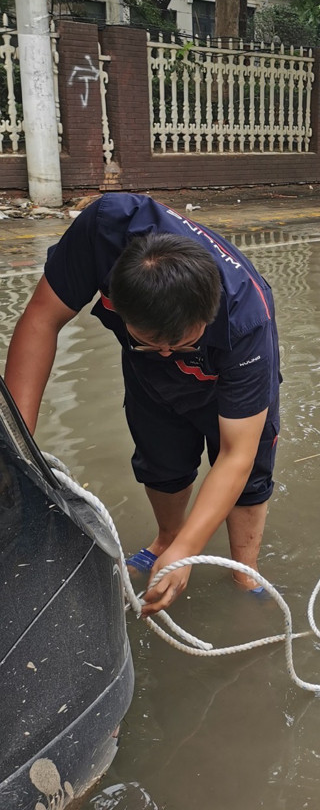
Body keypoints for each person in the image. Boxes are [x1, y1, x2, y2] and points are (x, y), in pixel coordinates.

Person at [4, 192, 280, 617]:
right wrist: (16, 449)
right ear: (117, 296)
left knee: (253, 471)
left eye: (181, 343)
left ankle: (244, 569)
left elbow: (237, 454)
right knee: (160, 457)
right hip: (144, 371)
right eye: (155, 342)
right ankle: (164, 540)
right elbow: (42, 319)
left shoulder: (246, 320)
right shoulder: (102, 232)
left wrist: (192, 550)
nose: (169, 353)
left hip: (222, 375)